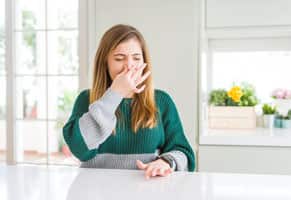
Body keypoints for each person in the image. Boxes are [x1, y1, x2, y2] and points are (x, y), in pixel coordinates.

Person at [63, 24, 195, 179]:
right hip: (96, 191)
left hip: (147, 190)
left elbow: (184, 153)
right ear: (105, 62)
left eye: (136, 58)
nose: (129, 65)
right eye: (119, 58)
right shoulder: (86, 99)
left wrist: (166, 162)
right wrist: (114, 94)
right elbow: (79, 149)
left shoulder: (161, 101)